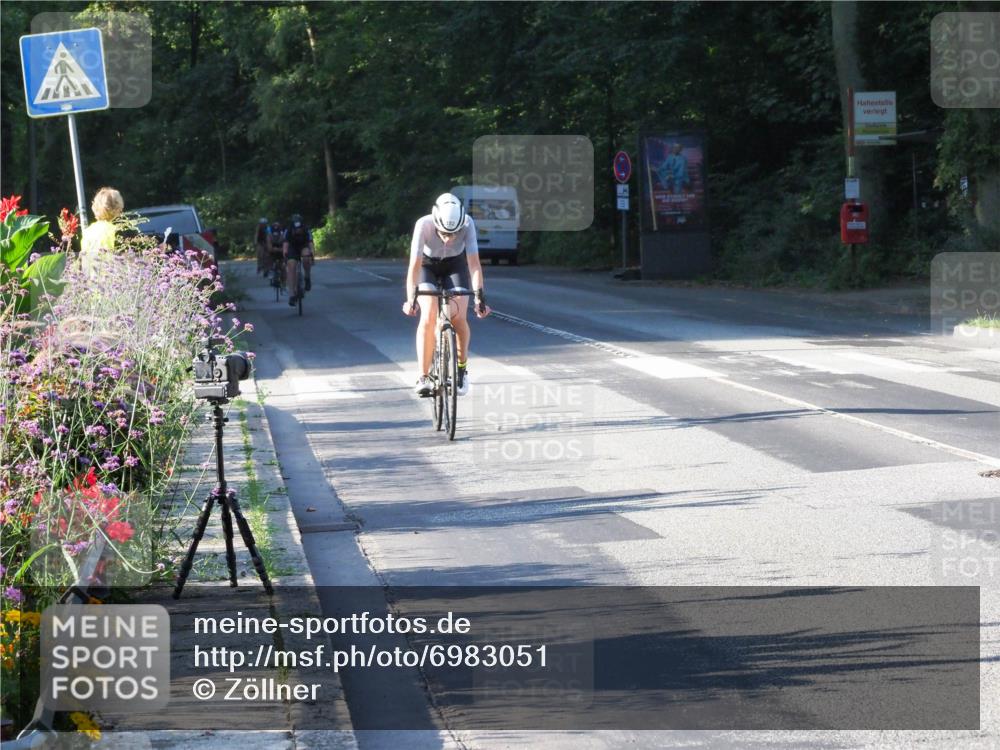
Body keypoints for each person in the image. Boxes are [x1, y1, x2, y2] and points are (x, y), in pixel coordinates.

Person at [402, 193, 490, 397]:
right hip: (427, 265)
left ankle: (461, 370)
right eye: (444, 233)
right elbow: (414, 267)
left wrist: (479, 298)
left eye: (454, 234)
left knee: (459, 317)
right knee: (428, 315)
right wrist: (410, 299)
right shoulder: (423, 224)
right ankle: (423, 376)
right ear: (435, 221)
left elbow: (474, 265)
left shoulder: (468, 224)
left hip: (455, 265)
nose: (449, 239)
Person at [80, 187, 124, 276]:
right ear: (118, 207)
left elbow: (83, 261)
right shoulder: (119, 229)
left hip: (92, 282)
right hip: (114, 282)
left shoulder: (88, 231)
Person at [283, 214, 314, 305]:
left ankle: (307, 277)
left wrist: (312, 255)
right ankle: (292, 294)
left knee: (306, 257)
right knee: (291, 265)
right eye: (296, 228)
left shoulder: (306, 229)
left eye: (299, 227)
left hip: (303, 246)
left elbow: (311, 244)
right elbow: (285, 245)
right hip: (292, 247)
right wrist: (285, 255)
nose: (298, 230)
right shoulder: (288, 230)